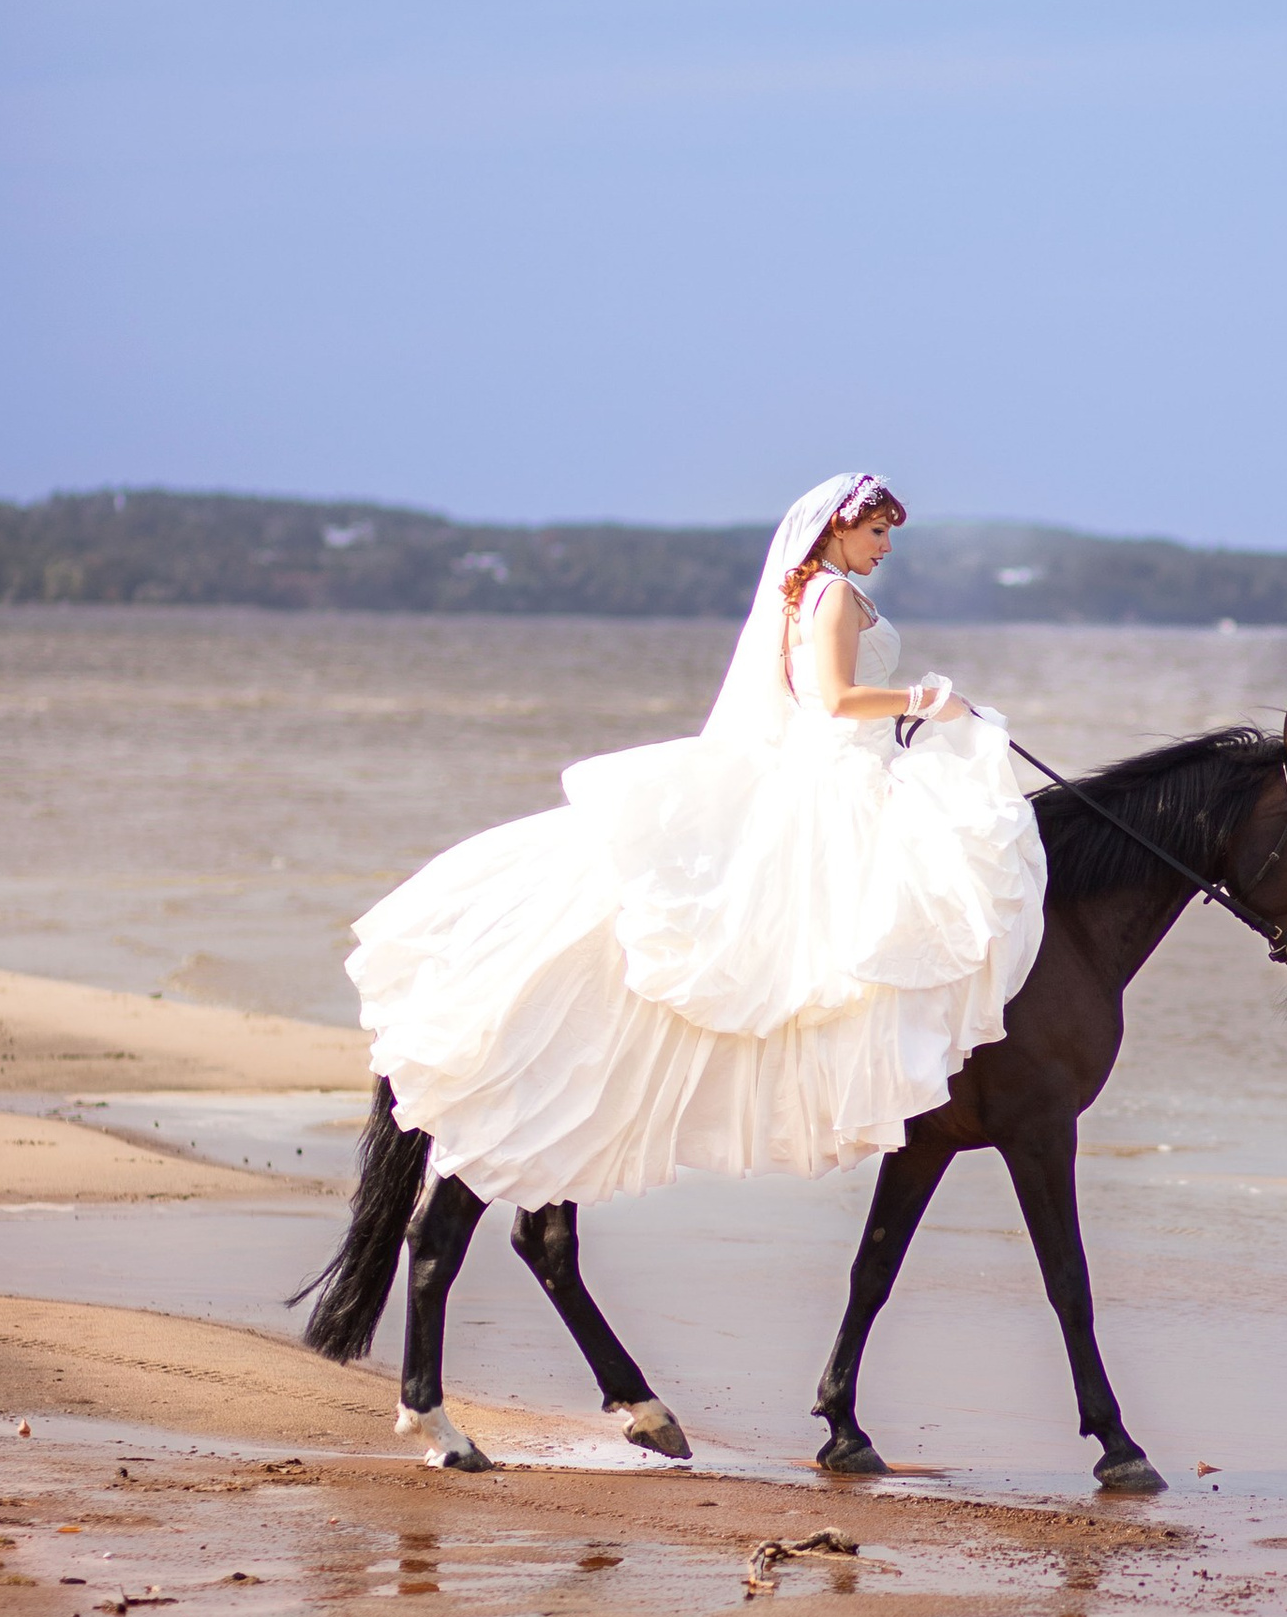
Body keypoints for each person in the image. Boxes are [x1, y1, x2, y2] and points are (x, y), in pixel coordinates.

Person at [345, 472, 1046, 1211]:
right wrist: (927, 701)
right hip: (841, 769)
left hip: (848, 757)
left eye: (889, 533)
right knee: (906, 906)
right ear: (837, 528)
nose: (885, 545)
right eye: (876, 531)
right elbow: (835, 699)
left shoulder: (805, 594)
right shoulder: (832, 595)